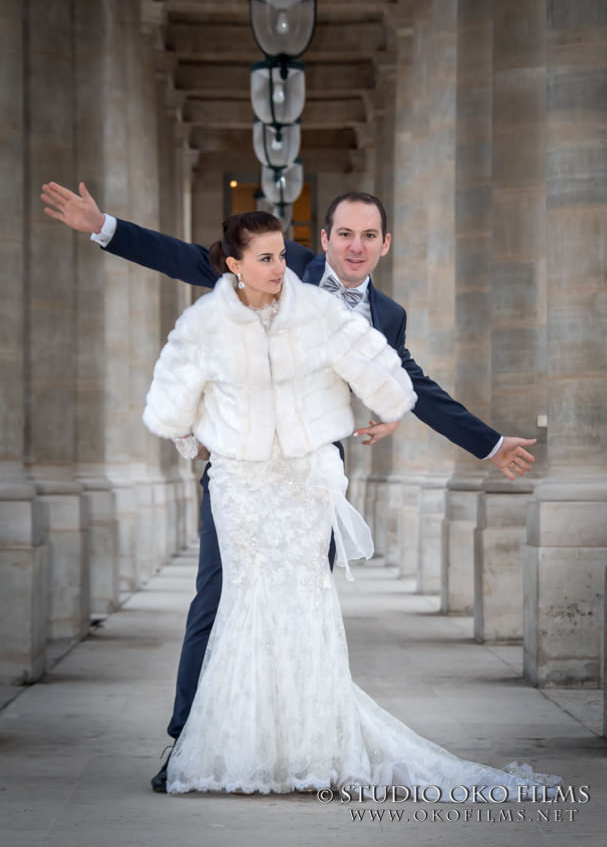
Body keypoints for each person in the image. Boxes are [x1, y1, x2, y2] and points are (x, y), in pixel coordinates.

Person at [41, 182, 538, 791]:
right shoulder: (279, 261)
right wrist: (105, 227)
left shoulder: (388, 316)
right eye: (345, 234)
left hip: (309, 475)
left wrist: (485, 442)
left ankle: (309, 742)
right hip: (241, 472)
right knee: (218, 597)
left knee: (305, 604)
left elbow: (409, 383)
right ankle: (188, 738)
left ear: (386, 245)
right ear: (323, 239)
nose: (356, 247)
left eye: (369, 236)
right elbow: (190, 261)